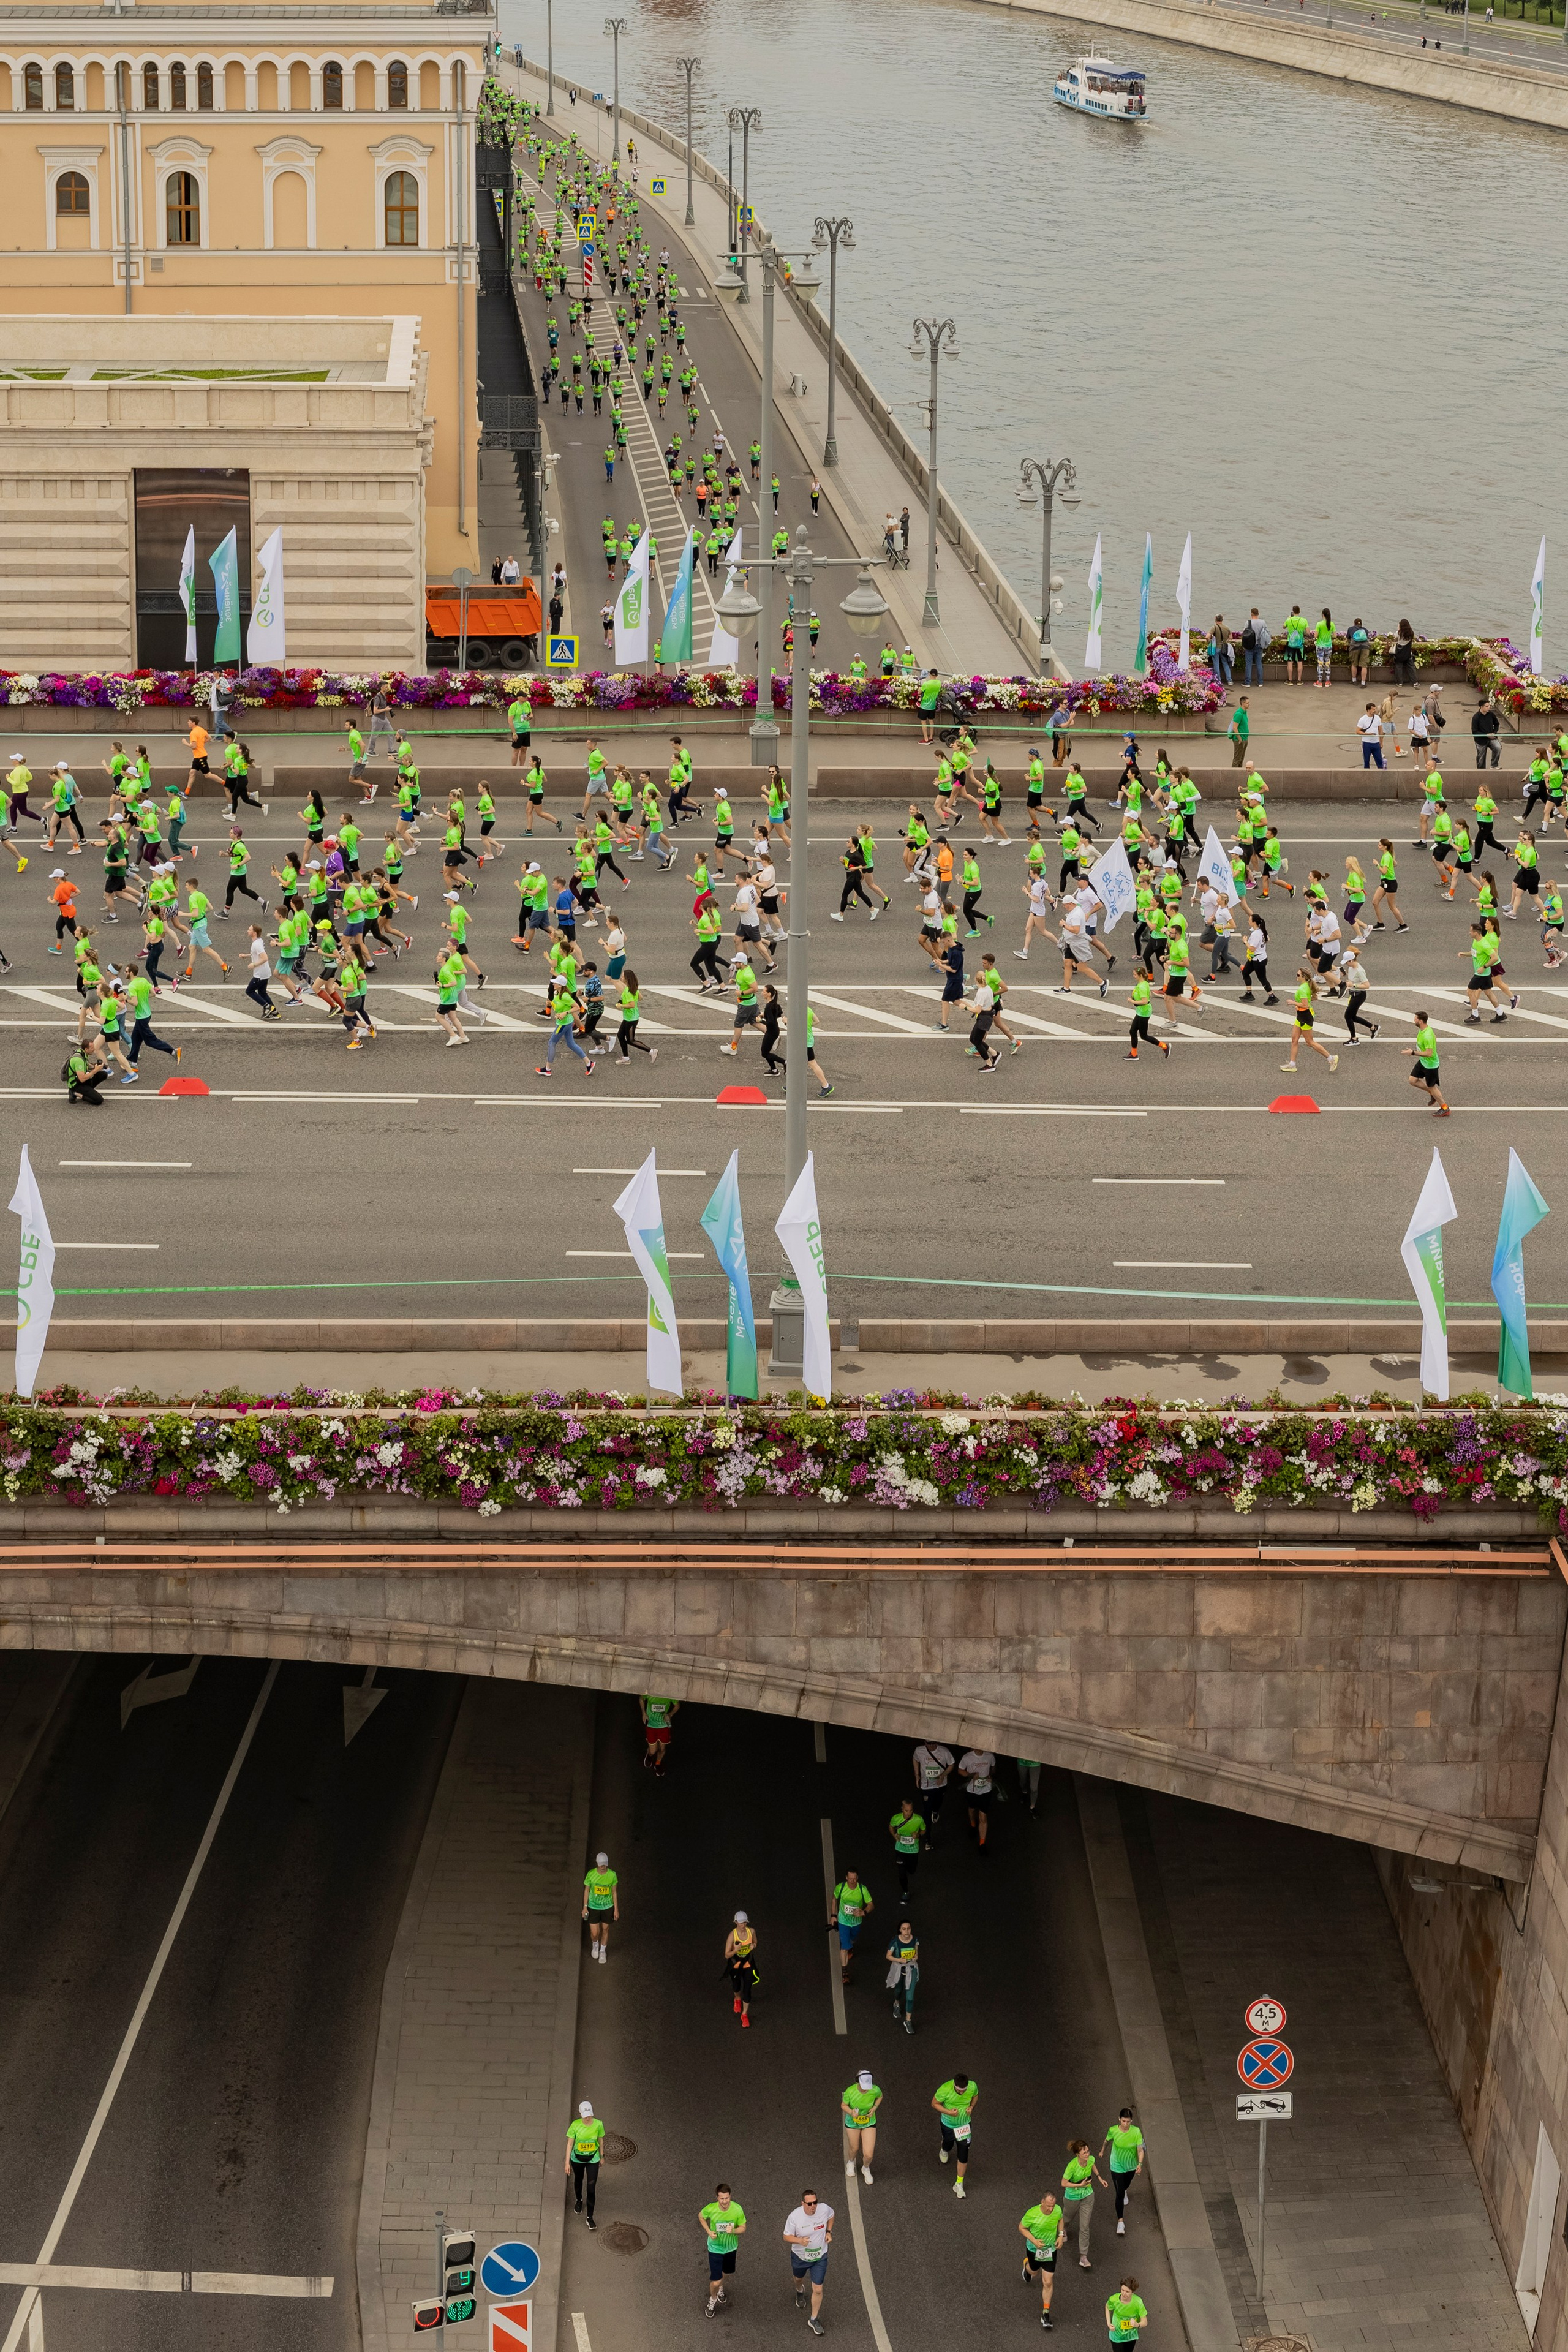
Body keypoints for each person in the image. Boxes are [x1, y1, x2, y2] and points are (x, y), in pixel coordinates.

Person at [783, 2193, 832, 2338]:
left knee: (818, 2289)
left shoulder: (824, 2209)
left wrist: (829, 2232)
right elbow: (786, 2236)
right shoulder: (794, 2217)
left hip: (820, 2257)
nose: (813, 2206)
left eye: (815, 2202)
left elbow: (831, 2216)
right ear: (802, 2203)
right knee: (798, 2279)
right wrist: (799, 2241)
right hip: (800, 2257)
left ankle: (814, 2319)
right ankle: (799, 2289)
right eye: (810, 2204)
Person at [1019, 2193, 1065, 2331]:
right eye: (1048, 2206)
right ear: (1042, 2202)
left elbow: (1061, 2220)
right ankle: (1027, 2267)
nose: (1051, 2209)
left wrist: (1061, 2235)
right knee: (1034, 2272)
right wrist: (1034, 2241)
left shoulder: (1057, 2210)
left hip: (1050, 2250)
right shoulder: (1032, 2213)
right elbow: (1021, 2228)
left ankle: (1046, 2314)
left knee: (1048, 2281)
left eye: (1053, 2206)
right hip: (1034, 2249)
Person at [699, 2185, 746, 2318]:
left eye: (727, 2198)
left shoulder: (737, 2209)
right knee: (716, 2281)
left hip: (731, 2248)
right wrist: (709, 2232)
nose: (725, 2201)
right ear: (717, 2198)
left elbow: (743, 2228)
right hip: (715, 2248)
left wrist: (734, 2231)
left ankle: (721, 2287)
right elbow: (701, 2217)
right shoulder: (711, 2208)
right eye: (722, 2199)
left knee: (727, 2273)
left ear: (730, 2196)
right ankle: (713, 2299)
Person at [932, 2073, 978, 2198]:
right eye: (959, 2091)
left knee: (963, 2153)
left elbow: (976, 2095)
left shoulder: (972, 2086)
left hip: (964, 2126)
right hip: (948, 2124)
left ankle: (959, 2183)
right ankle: (944, 2149)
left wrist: (972, 2107)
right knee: (948, 2144)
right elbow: (934, 2103)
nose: (962, 2093)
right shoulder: (945, 2089)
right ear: (954, 2085)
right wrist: (948, 2112)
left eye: (964, 2091)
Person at [1061, 2140, 1106, 2267]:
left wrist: (1099, 2178)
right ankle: (1063, 2229)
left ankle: (1083, 2257)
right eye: (1084, 2152)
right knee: (1067, 2218)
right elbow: (1064, 2183)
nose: (1087, 2154)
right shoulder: (1072, 2166)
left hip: (1088, 2196)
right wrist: (1079, 2185)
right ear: (1077, 2155)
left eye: (1088, 2151)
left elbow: (1092, 2164)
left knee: (1085, 2226)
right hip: (1072, 2197)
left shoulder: (1090, 2159)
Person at [1101, 2109, 1145, 2233]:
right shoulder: (1113, 2130)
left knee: (1126, 2183)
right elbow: (1107, 2141)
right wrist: (1102, 2150)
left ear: (1131, 2121)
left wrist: (1140, 2164)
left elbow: (1140, 2150)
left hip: (1131, 2165)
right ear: (1119, 2119)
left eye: (1128, 2122)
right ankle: (1120, 2222)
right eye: (1124, 2121)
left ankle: (1125, 2189)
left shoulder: (1136, 2132)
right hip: (1116, 2165)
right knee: (1119, 2193)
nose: (1126, 2124)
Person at [565, 2101, 605, 2229]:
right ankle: (579, 2200)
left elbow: (601, 2140)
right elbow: (570, 2144)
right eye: (585, 2116)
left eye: (589, 2115)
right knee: (578, 2180)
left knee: (591, 2188)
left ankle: (590, 2217)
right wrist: (567, 2163)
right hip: (577, 2159)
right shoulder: (575, 2125)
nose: (588, 2118)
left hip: (593, 2158)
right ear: (581, 2114)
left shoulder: (599, 2124)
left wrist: (602, 2156)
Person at [829, 1868, 872, 1983]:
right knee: (844, 1947)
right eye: (850, 1878)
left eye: (854, 1879)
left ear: (857, 1878)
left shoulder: (862, 1889)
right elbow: (834, 1899)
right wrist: (833, 1916)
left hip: (856, 1922)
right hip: (844, 1921)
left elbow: (871, 1905)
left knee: (852, 1940)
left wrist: (863, 1912)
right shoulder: (841, 1888)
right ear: (846, 1878)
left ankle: (851, 1945)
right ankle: (845, 1974)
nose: (852, 1881)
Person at [842, 2070, 881, 2184]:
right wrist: (851, 2112)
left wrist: (874, 2108)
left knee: (869, 2154)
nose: (866, 2089)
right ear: (857, 2082)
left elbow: (880, 2096)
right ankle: (851, 2162)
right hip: (853, 2123)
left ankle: (866, 2168)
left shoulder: (875, 2090)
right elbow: (843, 2105)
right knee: (854, 2148)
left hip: (869, 2122)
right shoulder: (850, 2091)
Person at [913, 1741, 954, 1843]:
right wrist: (917, 1775)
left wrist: (943, 1775)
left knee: (938, 1803)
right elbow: (915, 1759)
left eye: (934, 1743)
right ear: (925, 1743)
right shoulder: (919, 1750)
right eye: (929, 1744)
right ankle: (928, 1838)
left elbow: (952, 1764)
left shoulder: (944, 1751)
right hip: (926, 1786)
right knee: (927, 1811)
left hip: (941, 1784)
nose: (932, 1746)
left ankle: (936, 1812)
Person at [582, 1849, 618, 1961]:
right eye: (601, 1864)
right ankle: (595, 1946)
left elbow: (614, 1892)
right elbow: (587, 1891)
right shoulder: (591, 1875)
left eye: (605, 1864)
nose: (603, 1867)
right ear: (597, 1864)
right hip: (593, 1907)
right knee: (595, 1933)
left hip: (608, 1906)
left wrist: (616, 1909)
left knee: (606, 1929)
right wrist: (585, 1907)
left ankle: (602, 1951)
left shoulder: (612, 1875)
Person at [958, 1746, 997, 1850]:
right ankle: (973, 1824)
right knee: (972, 1809)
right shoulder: (967, 1757)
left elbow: (993, 1768)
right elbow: (960, 1770)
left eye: (980, 1747)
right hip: (972, 1790)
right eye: (976, 1747)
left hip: (986, 1790)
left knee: (983, 1817)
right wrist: (970, 1775)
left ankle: (982, 1843)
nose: (978, 1749)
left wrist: (991, 1776)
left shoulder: (990, 1756)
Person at [889, 1796, 926, 1902]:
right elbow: (891, 1827)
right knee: (902, 1873)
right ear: (902, 1809)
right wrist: (894, 1836)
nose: (908, 1813)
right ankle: (905, 1892)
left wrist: (918, 1834)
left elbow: (924, 1830)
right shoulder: (896, 1818)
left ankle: (908, 1870)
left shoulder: (918, 1819)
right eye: (906, 1811)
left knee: (912, 1871)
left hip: (913, 1851)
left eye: (910, 1811)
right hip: (900, 1850)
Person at [726, 1912, 759, 2027]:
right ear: (735, 1922)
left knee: (748, 1990)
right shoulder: (732, 1935)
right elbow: (727, 1955)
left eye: (745, 1922)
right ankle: (737, 1999)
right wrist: (736, 1950)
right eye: (741, 1922)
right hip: (735, 1965)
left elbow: (755, 1942)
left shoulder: (752, 1931)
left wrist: (753, 1946)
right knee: (736, 1986)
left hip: (748, 1964)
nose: (743, 1925)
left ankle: (744, 2014)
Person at [886, 1920, 919, 2034]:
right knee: (898, 1990)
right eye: (904, 1929)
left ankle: (908, 2020)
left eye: (909, 1928)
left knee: (910, 1997)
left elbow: (916, 1952)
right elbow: (888, 1956)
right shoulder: (895, 1941)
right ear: (900, 1930)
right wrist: (899, 1960)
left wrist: (915, 1957)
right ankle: (897, 2003)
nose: (907, 1931)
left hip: (911, 1969)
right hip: (899, 1968)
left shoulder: (915, 1940)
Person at [1106, 2277, 1149, 2346]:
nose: (1124, 2294)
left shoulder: (1138, 2302)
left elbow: (1145, 2322)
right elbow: (1107, 2307)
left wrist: (1137, 2325)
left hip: (1131, 2337)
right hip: (1117, 2335)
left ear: (1133, 2292)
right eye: (1122, 2290)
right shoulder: (1114, 2299)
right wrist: (1108, 2323)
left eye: (1127, 2292)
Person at [640, 1692, 678, 1770]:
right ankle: (650, 1755)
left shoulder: (669, 1695)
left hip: (664, 1726)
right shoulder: (650, 1693)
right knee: (653, 1751)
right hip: (651, 1726)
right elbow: (641, 1699)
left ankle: (658, 1763)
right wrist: (644, 1713)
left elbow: (677, 1706)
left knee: (662, 1749)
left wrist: (670, 1715)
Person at [1472, 696, 1502, 769]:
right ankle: (1481, 771)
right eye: (1487, 706)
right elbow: (1475, 732)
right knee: (1481, 756)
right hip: (1481, 740)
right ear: (1482, 707)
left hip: (1491, 738)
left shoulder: (1491, 715)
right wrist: (1486, 735)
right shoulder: (1476, 717)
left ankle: (1494, 765)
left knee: (1498, 748)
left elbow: (1497, 724)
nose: (1489, 708)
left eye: (1489, 706)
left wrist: (1494, 733)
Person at [1227, 695, 1250, 769]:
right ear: (1243, 703)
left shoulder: (1244, 712)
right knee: (1237, 759)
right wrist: (1240, 739)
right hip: (1239, 740)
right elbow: (1235, 727)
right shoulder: (1239, 714)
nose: (1249, 704)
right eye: (1247, 703)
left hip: (1245, 738)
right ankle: (1234, 774)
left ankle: (1239, 773)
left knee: (1241, 758)